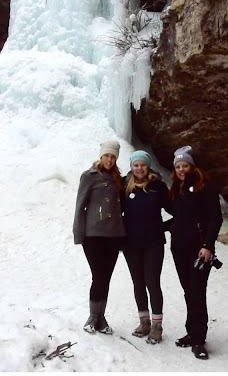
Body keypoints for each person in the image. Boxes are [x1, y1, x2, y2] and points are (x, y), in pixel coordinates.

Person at [167, 146, 223, 359]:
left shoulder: (205, 188)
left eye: (185, 165)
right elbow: (180, 218)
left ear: (192, 166)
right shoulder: (177, 188)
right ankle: (192, 332)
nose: (182, 169)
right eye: (178, 166)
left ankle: (199, 340)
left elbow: (215, 219)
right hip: (179, 248)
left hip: (200, 250)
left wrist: (208, 246)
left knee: (197, 292)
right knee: (188, 291)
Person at [73, 139, 126, 334]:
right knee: (98, 275)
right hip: (93, 235)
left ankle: (101, 317)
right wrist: (78, 234)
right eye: (106, 156)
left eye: (113, 157)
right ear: (100, 156)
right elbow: (80, 206)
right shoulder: (89, 176)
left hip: (113, 235)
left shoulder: (119, 178)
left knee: (106, 277)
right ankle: (93, 316)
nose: (109, 160)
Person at [122, 150, 171, 344]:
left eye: (142, 164)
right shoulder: (125, 186)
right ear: (132, 167)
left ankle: (157, 326)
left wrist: (166, 226)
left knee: (152, 282)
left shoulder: (157, 186)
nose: (139, 168)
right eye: (136, 165)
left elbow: (175, 209)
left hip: (153, 243)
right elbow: (116, 212)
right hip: (131, 243)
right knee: (138, 282)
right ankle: (144, 322)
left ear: (147, 166)